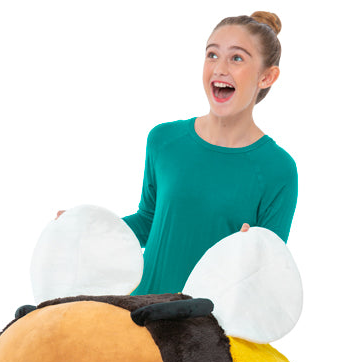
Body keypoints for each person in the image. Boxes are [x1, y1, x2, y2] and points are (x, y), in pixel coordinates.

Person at [59, 11, 297, 296]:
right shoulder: (164, 141)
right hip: (142, 311)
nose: (220, 68)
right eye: (212, 55)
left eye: (237, 58)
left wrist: (251, 254)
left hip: (208, 321)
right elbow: (149, 221)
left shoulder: (278, 169)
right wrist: (86, 232)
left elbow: (270, 271)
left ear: (267, 77)